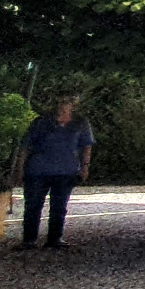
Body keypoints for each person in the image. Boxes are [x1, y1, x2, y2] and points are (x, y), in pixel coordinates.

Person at [16, 96, 94, 249]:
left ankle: (55, 238)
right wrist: (20, 169)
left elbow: (86, 146)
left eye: (64, 103)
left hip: (66, 170)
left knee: (59, 206)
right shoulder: (40, 122)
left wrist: (85, 167)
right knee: (33, 205)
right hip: (38, 170)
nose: (60, 106)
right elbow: (25, 146)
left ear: (72, 106)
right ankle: (29, 240)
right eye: (58, 103)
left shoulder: (80, 123)